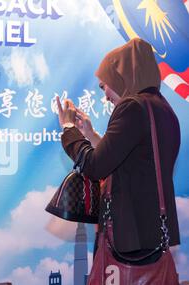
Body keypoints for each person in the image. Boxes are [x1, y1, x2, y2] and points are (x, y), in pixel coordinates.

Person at [56, 38, 181, 265]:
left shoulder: (131, 106)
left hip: (131, 237)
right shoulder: (161, 107)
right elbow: (131, 159)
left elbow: (95, 166)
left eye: (105, 86)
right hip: (152, 234)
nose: (105, 95)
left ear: (121, 76)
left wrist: (68, 129)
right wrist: (91, 135)